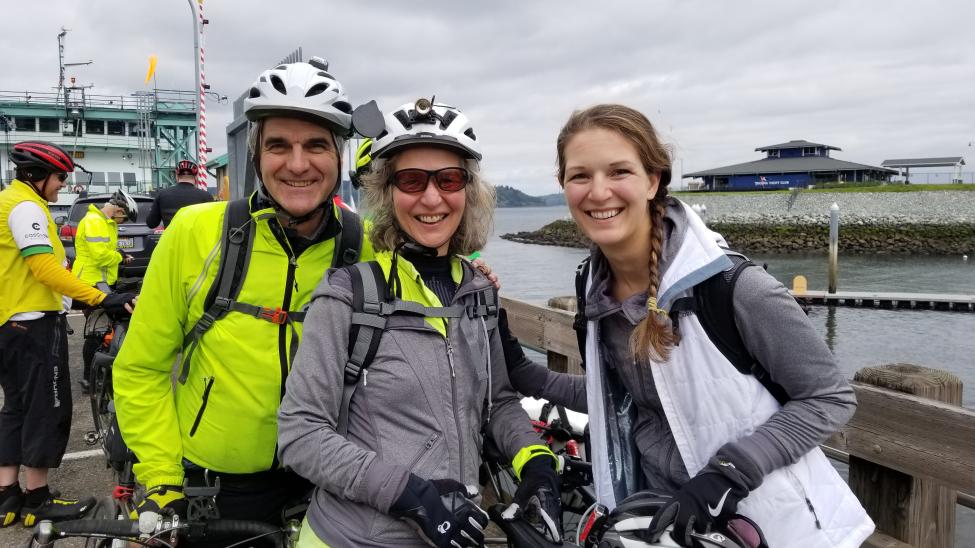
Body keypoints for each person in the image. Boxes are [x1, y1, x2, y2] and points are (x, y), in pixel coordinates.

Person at [504, 105, 875, 548]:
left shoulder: (733, 288)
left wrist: (732, 470)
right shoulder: (594, 290)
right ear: (563, 186)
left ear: (653, 180)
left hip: (772, 526)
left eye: (619, 171)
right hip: (665, 523)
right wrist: (528, 375)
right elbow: (632, 400)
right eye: (580, 176)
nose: (598, 192)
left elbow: (829, 398)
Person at [277, 98, 562, 548]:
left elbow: (500, 402)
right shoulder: (349, 294)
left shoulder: (479, 293)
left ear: (469, 191)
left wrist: (537, 463)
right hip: (352, 538)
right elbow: (300, 434)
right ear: (388, 193)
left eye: (449, 179)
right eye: (411, 180)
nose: (432, 198)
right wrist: (411, 495)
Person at [112, 58, 375, 527]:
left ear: (340, 156)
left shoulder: (366, 243)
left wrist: (478, 278)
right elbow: (140, 369)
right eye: (279, 145)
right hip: (216, 483)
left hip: (327, 478)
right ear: (256, 155)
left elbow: (432, 283)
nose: (298, 164)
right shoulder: (197, 232)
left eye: (316, 145)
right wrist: (162, 477)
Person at [0, 140, 136, 527]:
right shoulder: (27, 207)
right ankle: (38, 498)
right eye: (60, 177)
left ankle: (7, 496)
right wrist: (99, 298)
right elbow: (44, 268)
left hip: (9, 321)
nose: (63, 184)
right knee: (47, 408)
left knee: (15, 408)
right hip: (33, 325)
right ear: (38, 176)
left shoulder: (8, 201)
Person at [74, 189, 138, 393]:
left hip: (100, 281)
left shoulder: (106, 222)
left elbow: (105, 250)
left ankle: (97, 373)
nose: (123, 221)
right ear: (119, 209)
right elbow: (101, 256)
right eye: (125, 217)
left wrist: (119, 253)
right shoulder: (94, 221)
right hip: (90, 282)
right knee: (97, 329)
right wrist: (118, 257)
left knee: (101, 328)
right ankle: (88, 378)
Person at [145, 160, 213, 229]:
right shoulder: (206, 197)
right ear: (196, 177)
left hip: (171, 239)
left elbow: (151, 223)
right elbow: (212, 225)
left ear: (177, 176)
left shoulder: (162, 195)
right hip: (196, 239)